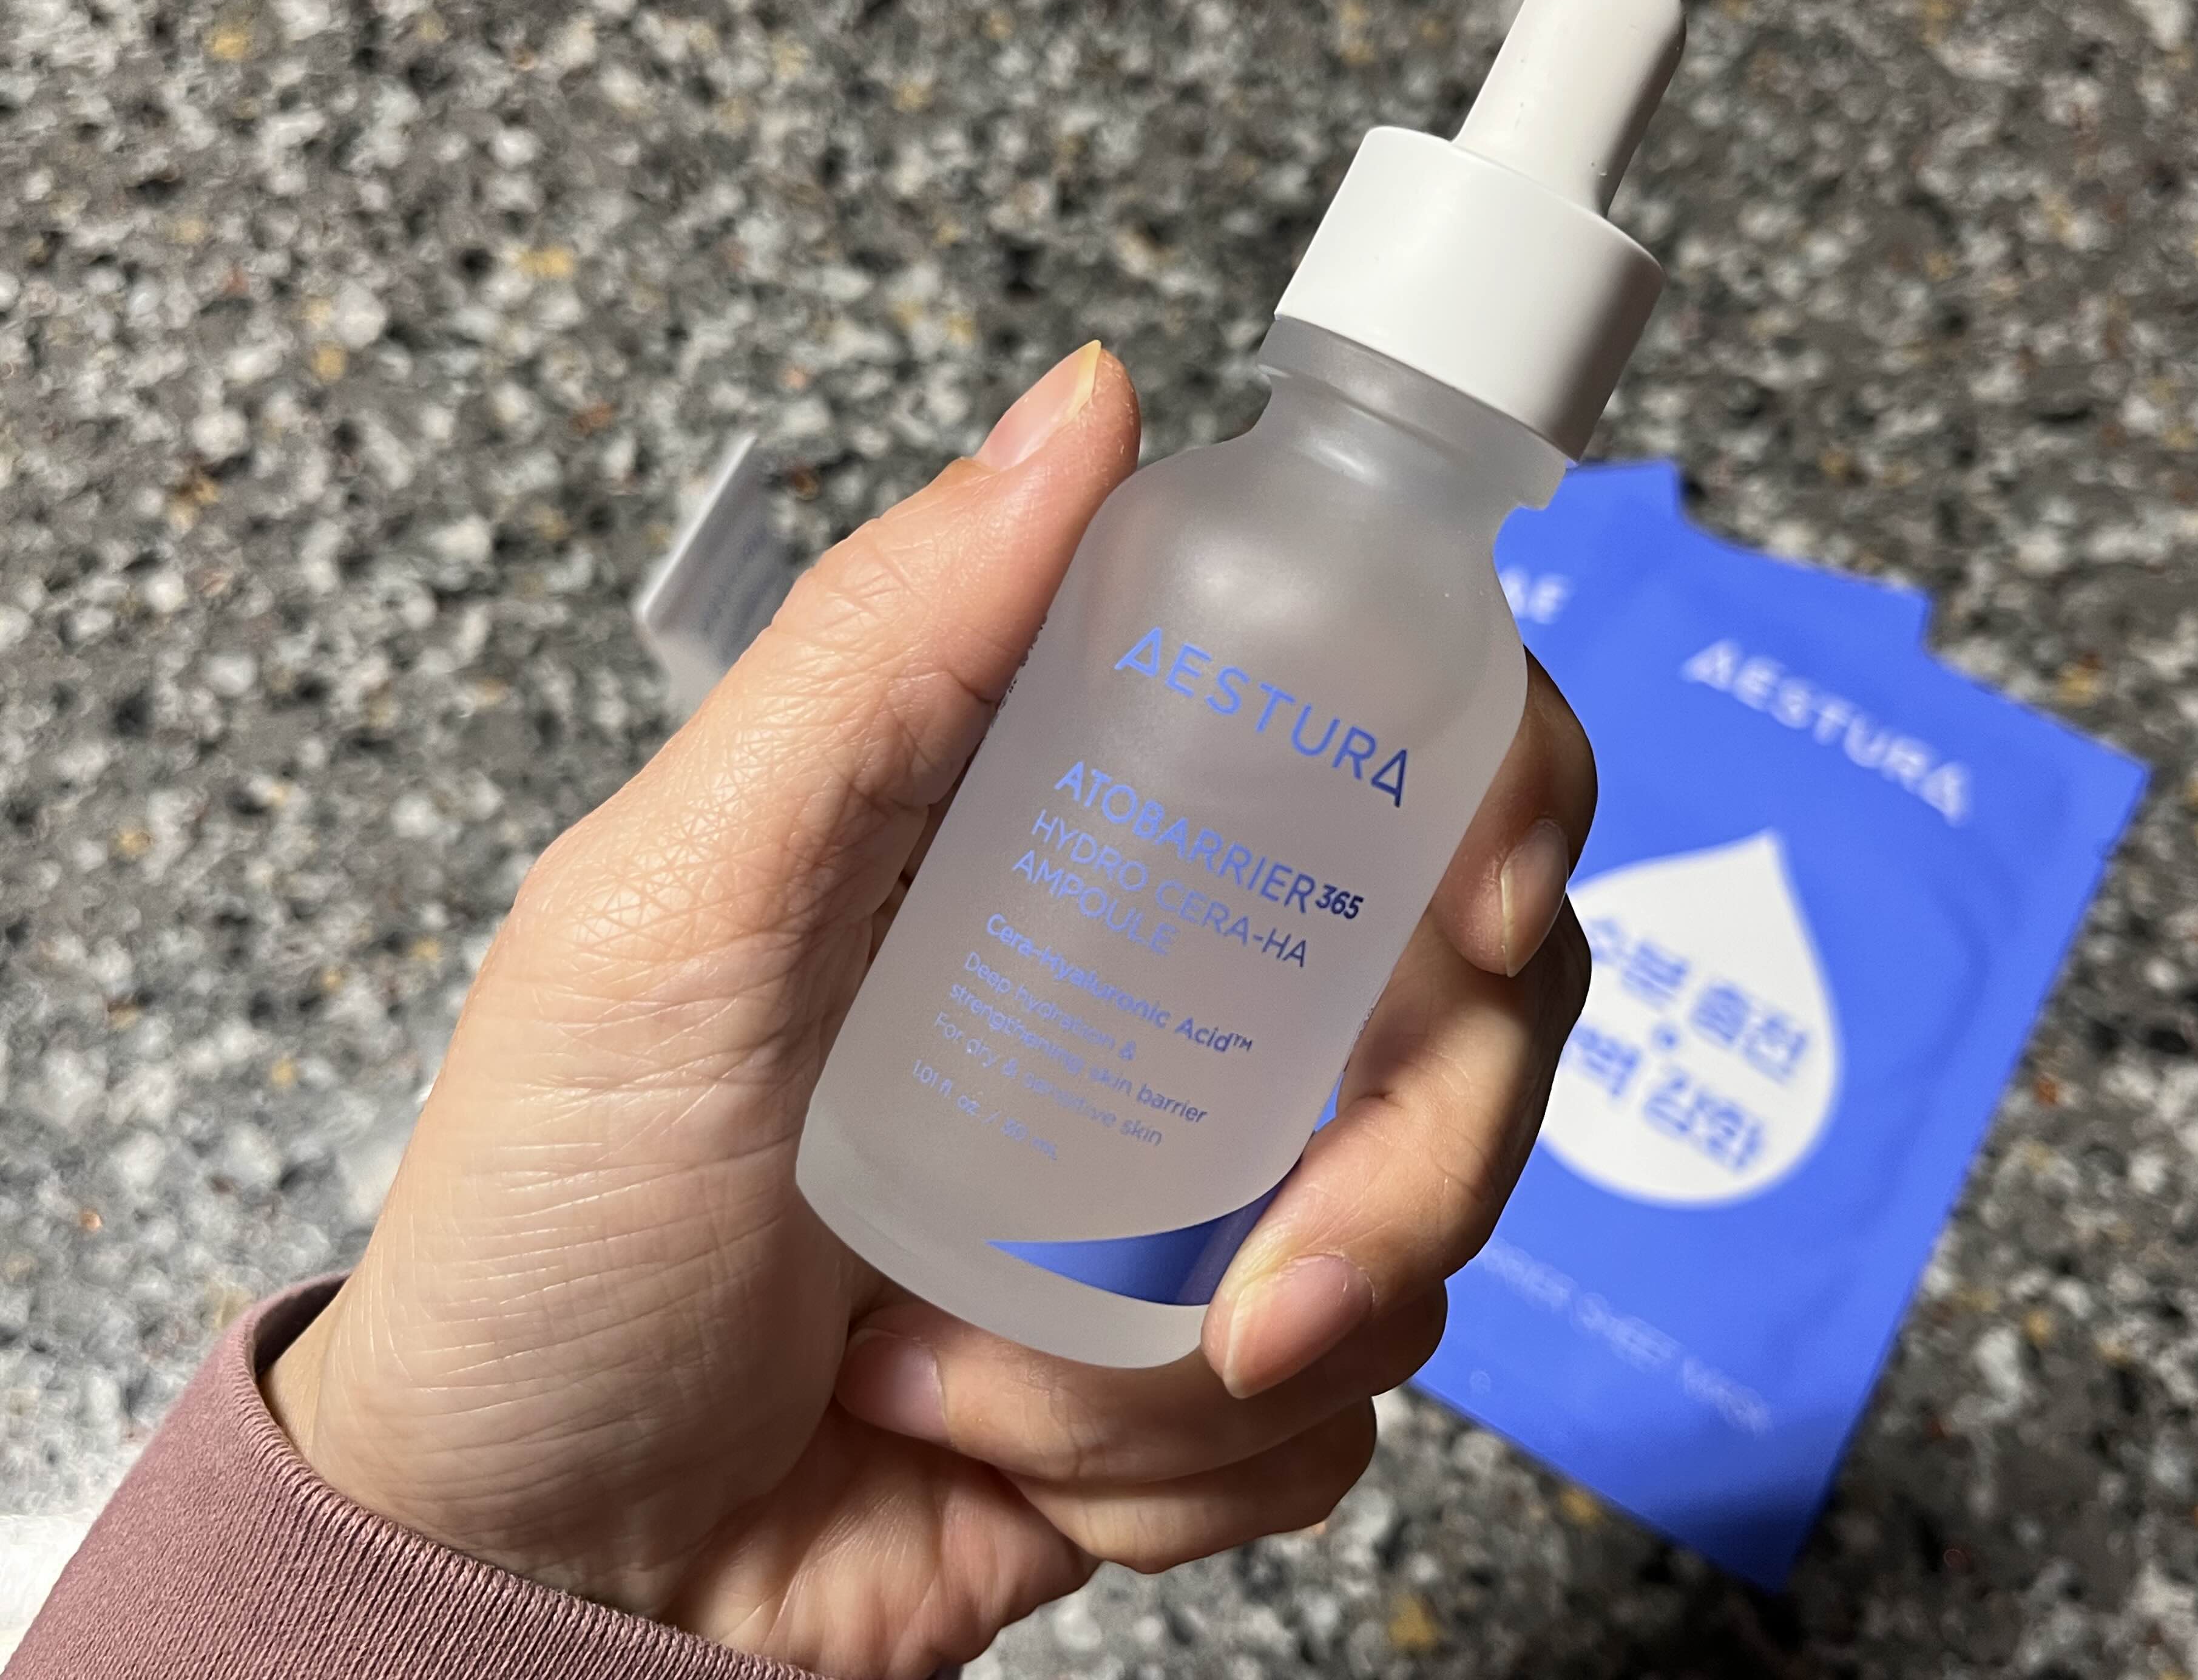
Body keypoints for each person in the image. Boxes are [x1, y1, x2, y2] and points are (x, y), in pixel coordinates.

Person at [12, 346, 1595, 1680]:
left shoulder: (1451, 648)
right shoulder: (1184, 519)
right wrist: (467, 1547)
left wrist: (443, 1575)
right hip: (799, 1271)